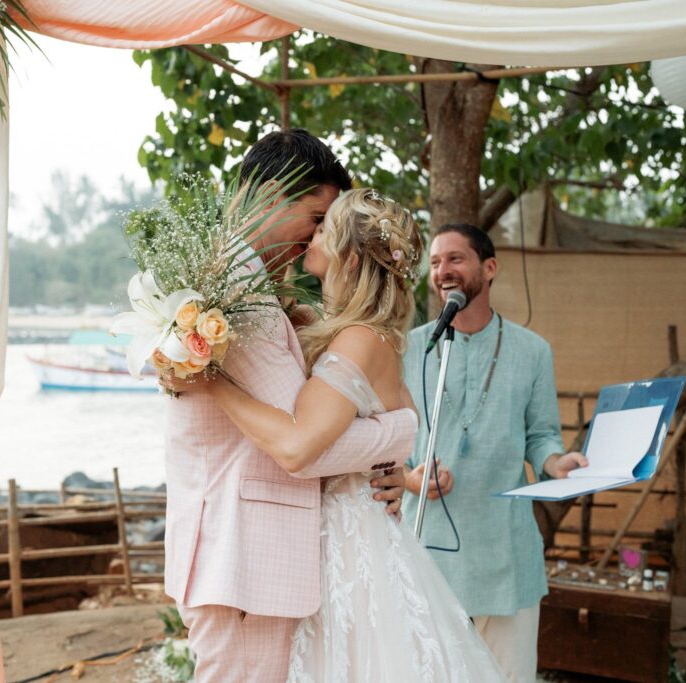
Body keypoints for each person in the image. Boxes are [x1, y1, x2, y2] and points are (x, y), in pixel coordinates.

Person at [169, 190, 508, 682]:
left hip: (349, 545)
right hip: (336, 535)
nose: (313, 232)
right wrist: (395, 440)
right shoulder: (345, 329)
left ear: (348, 257)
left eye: (325, 227)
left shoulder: (360, 337)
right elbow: (396, 412)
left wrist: (210, 379)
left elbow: (298, 446)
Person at [158, 130, 415, 683]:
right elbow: (304, 444)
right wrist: (397, 435)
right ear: (272, 194)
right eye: (315, 217)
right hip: (243, 559)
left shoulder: (248, 285)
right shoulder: (235, 290)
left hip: (253, 560)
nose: (316, 236)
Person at [402, 223, 589, 682]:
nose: (443, 270)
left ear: (490, 268)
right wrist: (411, 477)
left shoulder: (533, 351)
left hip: (505, 554)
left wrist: (555, 462)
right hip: (426, 549)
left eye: (455, 258)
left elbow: (542, 434)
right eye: (434, 262)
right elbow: (389, 441)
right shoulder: (409, 348)